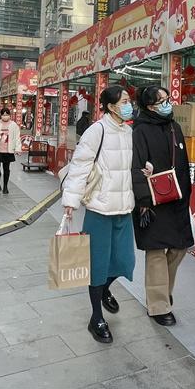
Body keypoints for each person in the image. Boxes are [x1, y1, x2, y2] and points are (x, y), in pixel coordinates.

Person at [62, 86, 135, 344]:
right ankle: (96, 318)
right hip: (99, 209)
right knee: (97, 265)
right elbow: (80, 166)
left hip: (124, 208)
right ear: (111, 106)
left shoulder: (128, 132)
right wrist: (71, 201)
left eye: (129, 100)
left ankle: (104, 290)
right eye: (124, 101)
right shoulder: (97, 131)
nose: (129, 105)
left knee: (125, 261)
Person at [131, 85, 194, 327]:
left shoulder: (174, 127)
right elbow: (136, 167)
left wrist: (186, 194)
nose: (168, 104)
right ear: (149, 106)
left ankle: (163, 291)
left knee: (180, 247)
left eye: (168, 99)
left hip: (177, 199)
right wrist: (144, 200)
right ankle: (158, 305)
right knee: (156, 251)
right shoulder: (140, 130)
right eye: (162, 101)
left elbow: (183, 164)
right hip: (152, 201)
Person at [0, 108, 22, 195]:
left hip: (8, 150)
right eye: (3, 115)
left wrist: (18, 148)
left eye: (7, 115)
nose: (5, 116)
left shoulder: (14, 125)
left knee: (6, 169)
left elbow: (17, 137)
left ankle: (5, 186)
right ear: (1, 115)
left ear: (10, 115)